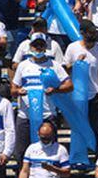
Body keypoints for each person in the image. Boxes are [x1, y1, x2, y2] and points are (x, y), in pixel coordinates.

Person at [11, 33, 73, 162]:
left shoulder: (54, 65)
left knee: (50, 152)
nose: (38, 48)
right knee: (21, 153)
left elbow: (69, 85)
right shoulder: (23, 65)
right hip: (25, 116)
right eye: (35, 45)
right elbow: (13, 88)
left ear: (46, 46)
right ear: (30, 47)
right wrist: (18, 91)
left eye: (41, 45)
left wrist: (55, 90)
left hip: (47, 114)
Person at [64, 20, 98, 153]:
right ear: (83, 33)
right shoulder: (72, 48)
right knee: (78, 127)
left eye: (94, 32)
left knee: (95, 128)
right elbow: (65, 69)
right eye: (90, 32)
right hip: (77, 96)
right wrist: (76, 63)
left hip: (94, 94)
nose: (93, 34)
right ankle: (79, 157)